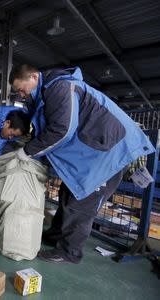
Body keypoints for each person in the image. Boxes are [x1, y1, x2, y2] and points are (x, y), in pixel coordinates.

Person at [10, 64, 155, 264]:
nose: (21, 94)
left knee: (80, 205)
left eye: (21, 88)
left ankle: (70, 252)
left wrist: (28, 151)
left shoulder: (59, 88)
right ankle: (55, 236)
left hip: (107, 155)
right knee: (67, 193)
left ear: (34, 76)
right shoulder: (45, 94)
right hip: (90, 154)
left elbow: (62, 130)